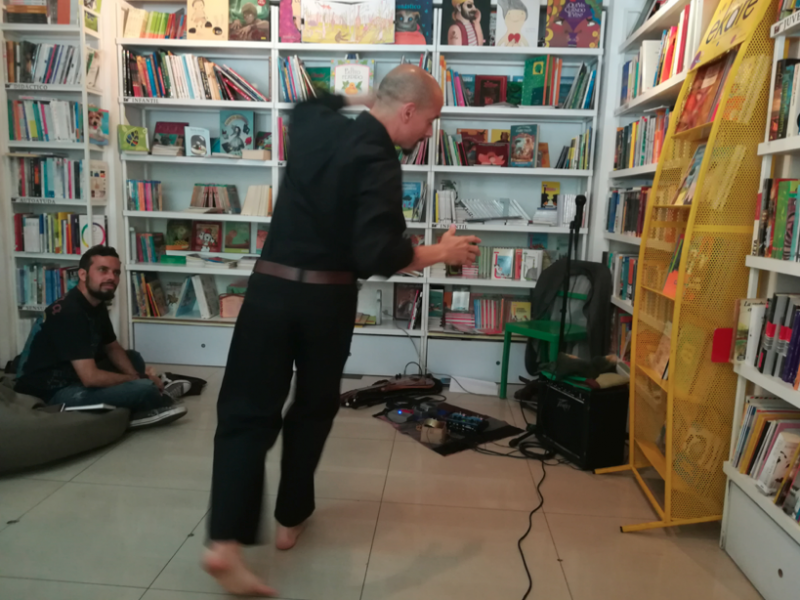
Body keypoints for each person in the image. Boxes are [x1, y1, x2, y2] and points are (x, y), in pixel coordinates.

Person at [202, 64, 481, 596]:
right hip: (324, 302)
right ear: (406, 111)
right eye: (429, 120)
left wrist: (365, 92)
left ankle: (223, 547)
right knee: (311, 407)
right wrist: (440, 252)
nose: (428, 132)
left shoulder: (316, 127)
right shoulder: (379, 160)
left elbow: (310, 104)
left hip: (266, 292)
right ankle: (289, 521)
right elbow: (375, 254)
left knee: (244, 415)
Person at [14, 245, 189, 429]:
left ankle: (148, 396)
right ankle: (149, 403)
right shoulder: (70, 313)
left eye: (115, 272)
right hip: (52, 392)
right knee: (143, 388)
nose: (111, 277)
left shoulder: (96, 303)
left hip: (75, 375)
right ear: (83, 275)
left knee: (132, 358)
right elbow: (90, 378)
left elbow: (111, 346)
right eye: (102, 270)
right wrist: (140, 380)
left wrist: (136, 375)